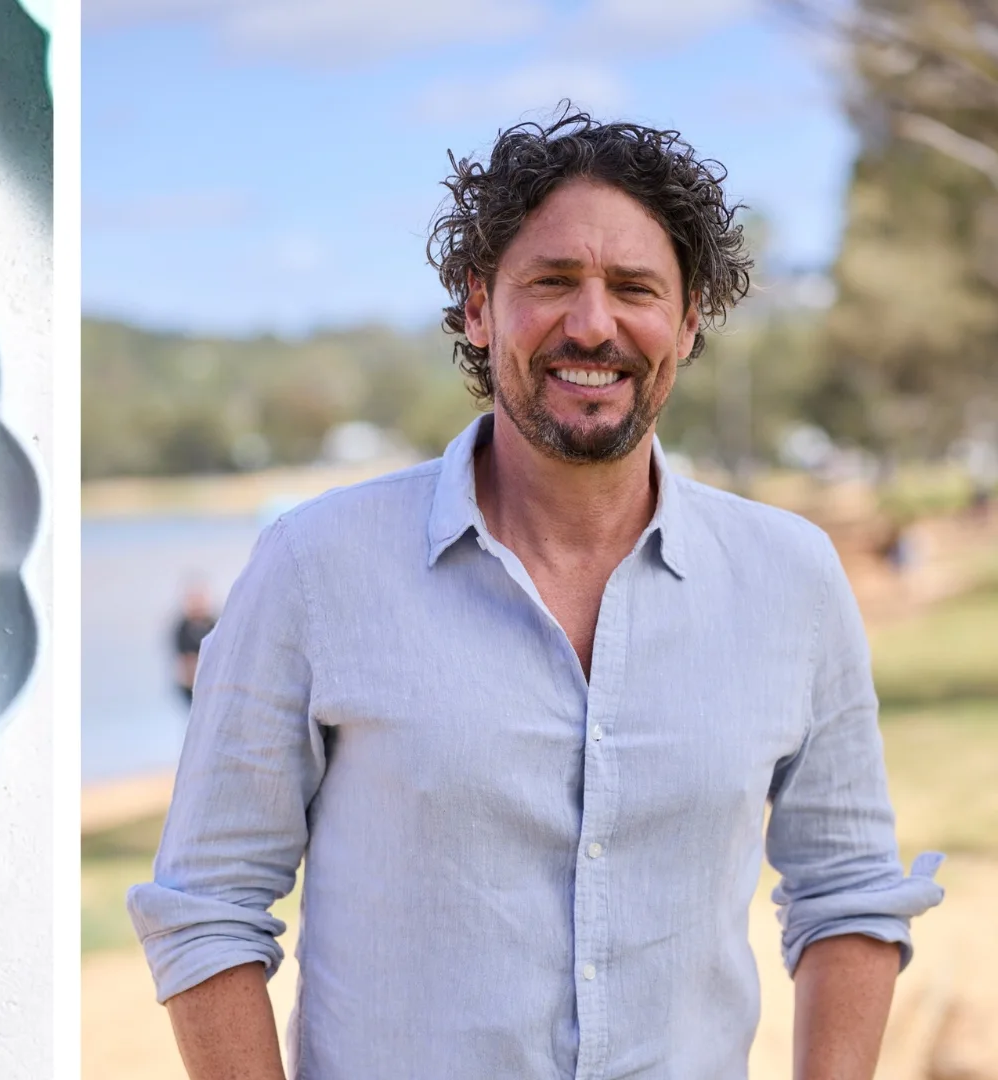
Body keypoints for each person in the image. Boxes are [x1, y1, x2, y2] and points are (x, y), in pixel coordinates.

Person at [128, 108, 944, 1079]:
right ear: (479, 307)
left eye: (635, 288)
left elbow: (847, 891)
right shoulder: (314, 566)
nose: (592, 323)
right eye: (552, 282)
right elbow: (208, 907)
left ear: (688, 322)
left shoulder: (792, 578)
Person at [171, 579, 217, 703]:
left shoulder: (215, 625)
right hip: (190, 686)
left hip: (214, 684)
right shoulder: (182, 629)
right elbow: (184, 662)